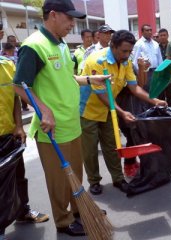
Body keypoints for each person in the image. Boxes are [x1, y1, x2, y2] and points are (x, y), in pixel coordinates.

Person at [13, 0, 110, 236]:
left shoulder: (63, 44)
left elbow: (67, 78)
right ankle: (63, 221)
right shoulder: (34, 46)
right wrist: (44, 110)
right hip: (52, 129)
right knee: (58, 181)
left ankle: (79, 210)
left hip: (72, 122)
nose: (72, 25)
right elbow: (19, 86)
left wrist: (89, 79)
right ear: (53, 15)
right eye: (69, 19)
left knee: (75, 174)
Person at [80, 30, 167, 194]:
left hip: (109, 110)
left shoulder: (126, 63)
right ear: (113, 46)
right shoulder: (97, 61)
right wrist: (122, 113)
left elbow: (134, 88)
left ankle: (118, 179)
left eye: (129, 51)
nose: (127, 55)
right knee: (90, 149)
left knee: (112, 146)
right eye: (124, 51)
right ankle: (94, 181)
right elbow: (101, 95)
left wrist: (155, 100)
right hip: (89, 110)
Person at [0, 50, 48, 240]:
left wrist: (19, 126)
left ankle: (22, 211)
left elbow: (15, 99)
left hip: (9, 134)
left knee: (18, 176)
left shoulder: (8, 65)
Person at [132, 24, 163, 92]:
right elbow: (135, 62)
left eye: (150, 30)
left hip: (156, 71)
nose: (149, 32)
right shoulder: (139, 44)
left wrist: (160, 72)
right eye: (147, 30)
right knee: (146, 92)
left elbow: (160, 59)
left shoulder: (155, 44)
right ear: (142, 32)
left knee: (155, 92)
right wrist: (140, 74)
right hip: (145, 72)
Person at [158, 28, 171, 107]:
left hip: (169, 74)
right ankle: (161, 113)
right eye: (161, 35)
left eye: (164, 35)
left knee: (170, 95)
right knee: (160, 95)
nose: (162, 37)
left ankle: (170, 111)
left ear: (167, 36)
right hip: (159, 74)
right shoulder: (156, 47)